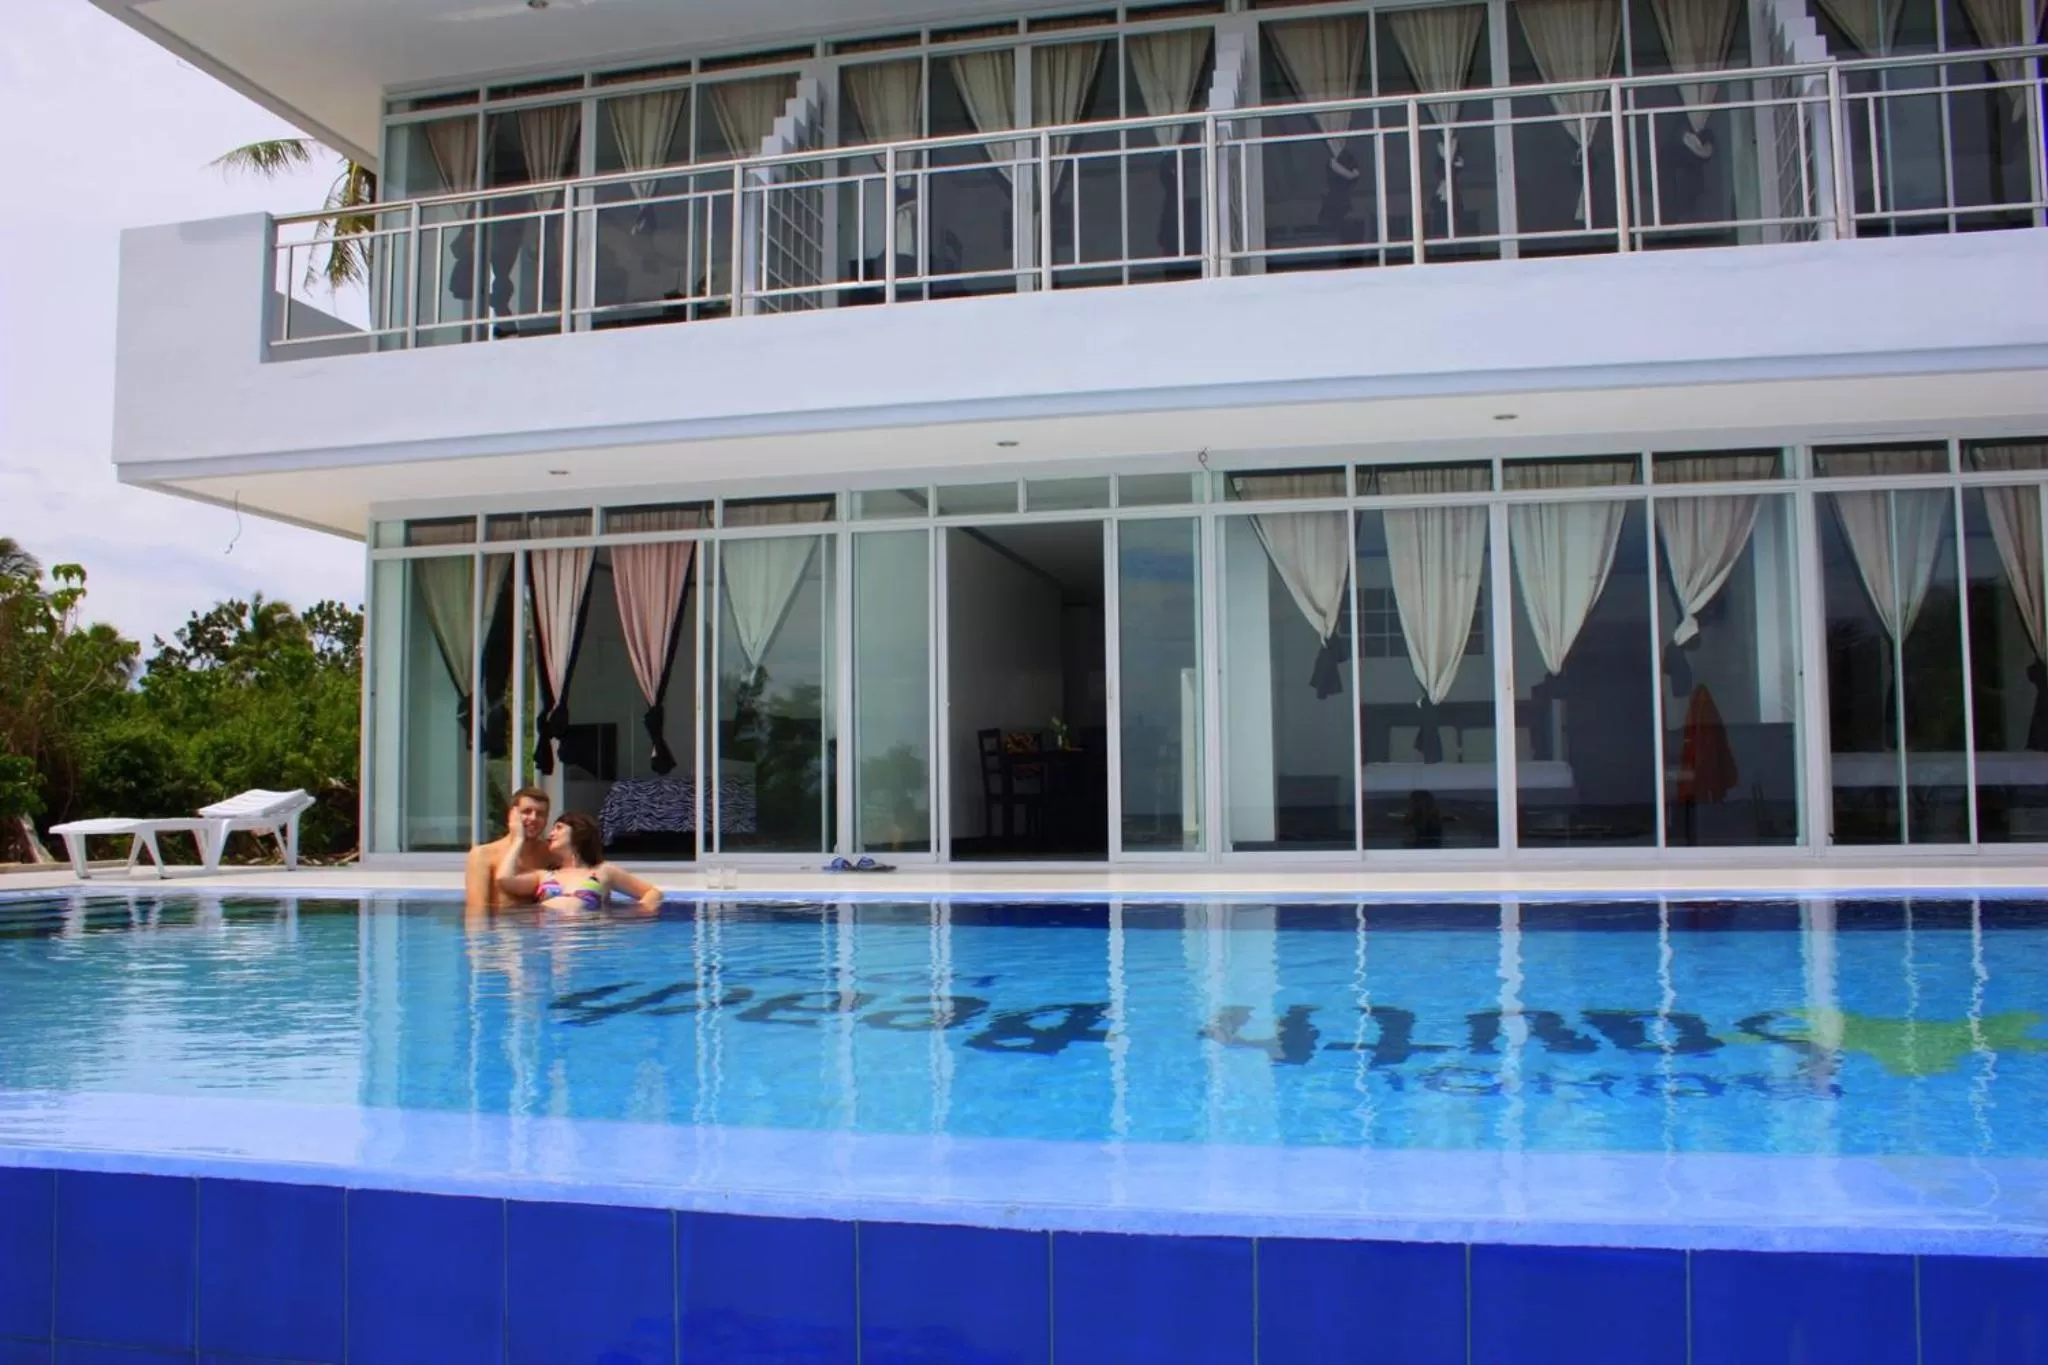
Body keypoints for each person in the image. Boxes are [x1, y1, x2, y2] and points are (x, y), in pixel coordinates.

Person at [495, 810, 662, 912]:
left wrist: (632, 915)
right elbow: (504, 880)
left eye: (558, 828)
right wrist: (518, 839)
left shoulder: (604, 871)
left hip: (587, 940)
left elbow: (652, 893)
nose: (551, 834)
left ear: (578, 832)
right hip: (549, 938)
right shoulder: (544, 876)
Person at [464, 787, 554, 909]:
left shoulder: (549, 853)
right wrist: (519, 840)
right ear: (512, 814)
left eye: (541, 814)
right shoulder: (483, 855)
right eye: (527, 811)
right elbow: (476, 912)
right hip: (501, 925)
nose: (533, 818)